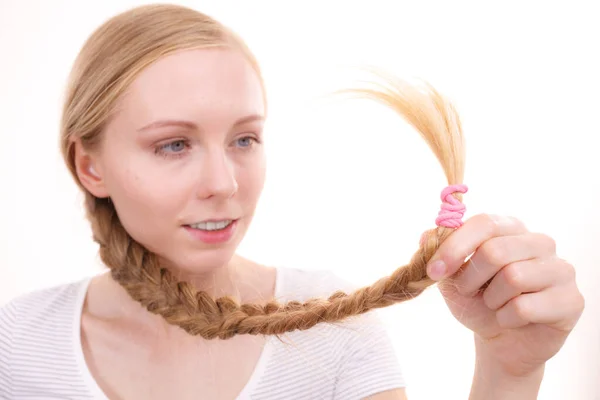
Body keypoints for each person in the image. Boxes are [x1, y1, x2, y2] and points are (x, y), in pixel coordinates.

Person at [0, 4, 584, 400]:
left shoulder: (337, 335)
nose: (224, 183)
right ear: (90, 165)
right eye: (173, 144)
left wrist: (510, 369)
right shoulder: (15, 343)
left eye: (244, 139)